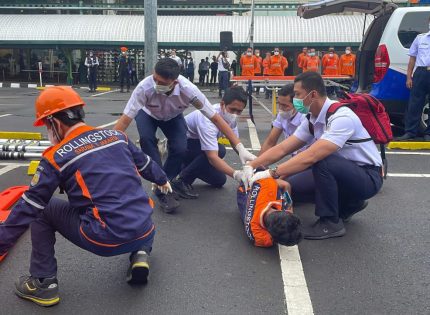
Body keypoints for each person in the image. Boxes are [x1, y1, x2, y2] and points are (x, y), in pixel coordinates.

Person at [0, 86, 171, 307]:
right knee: (133, 205)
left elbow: (29, 206)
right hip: (145, 230)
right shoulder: (117, 136)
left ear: (54, 122)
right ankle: (140, 253)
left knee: (43, 208)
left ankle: (43, 283)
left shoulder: (57, 157)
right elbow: (147, 165)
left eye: (45, 125)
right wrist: (162, 179)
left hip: (104, 237)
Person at [240, 72, 383, 240]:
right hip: (344, 174)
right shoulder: (312, 119)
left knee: (323, 159)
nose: (295, 100)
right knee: (290, 188)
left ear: (313, 94)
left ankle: (330, 223)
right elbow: (283, 148)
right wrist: (252, 165)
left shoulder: (342, 117)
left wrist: (272, 173)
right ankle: (350, 203)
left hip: (367, 177)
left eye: (298, 94)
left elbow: (312, 155)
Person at [114, 58, 256, 212]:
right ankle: (161, 186)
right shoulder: (144, 88)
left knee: (181, 148)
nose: (155, 83)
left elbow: (216, 118)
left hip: (173, 117)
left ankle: (166, 180)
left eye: (161, 82)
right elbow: (124, 121)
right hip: (148, 114)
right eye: (155, 78)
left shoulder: (189, 90)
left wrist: (240, 148)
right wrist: (109, 145)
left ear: (174, 82)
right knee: (146, 140)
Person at [171, 87, 247, 199]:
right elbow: (212, 157)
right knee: (220, 150)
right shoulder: (207, 119)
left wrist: (251, 165)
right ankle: (181, 181)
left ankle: (184, 167)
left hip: (196, 148)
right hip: (181, 145)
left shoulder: (231, 119)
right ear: (222, 105)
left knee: (219, 180)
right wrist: (236, 174)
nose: (235, 114)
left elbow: (235, 142)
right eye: (233, 109)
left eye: (239, 111)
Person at [236, 176, 302, 247]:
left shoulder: (269, 186)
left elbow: (286, 185)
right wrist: (289, 206)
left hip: (252, 184)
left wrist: (289, 206)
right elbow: (285, 185)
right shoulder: (259, 236)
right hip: (247, 187)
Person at [397, 18, 430, 141]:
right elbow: (412, 59)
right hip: (421, 73)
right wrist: (408, 77)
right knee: (414, 104)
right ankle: (410, 132)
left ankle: (429, 134)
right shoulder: (420, 38)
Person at [259, 84, 309, 155]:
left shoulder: (305, 118)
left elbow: (302, 154)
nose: (281, 109)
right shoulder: (282, 115)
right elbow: (270, 142)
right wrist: (256, 163)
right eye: (279, 104)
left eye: (285, 106)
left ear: (296, 104)